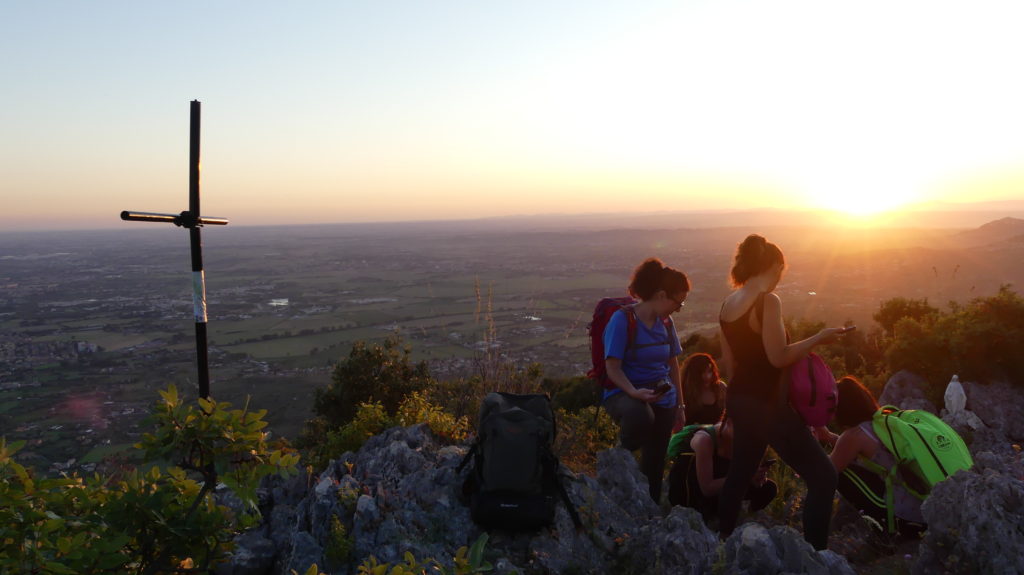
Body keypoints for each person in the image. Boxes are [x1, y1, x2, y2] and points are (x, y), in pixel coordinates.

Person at [717, 234, 845, 550]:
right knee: (824, 476)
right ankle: (816, 555)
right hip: (767, 405)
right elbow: (779, 357)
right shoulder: (767, 301)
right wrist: (818, 338)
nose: (780, 277)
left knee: (739, 475)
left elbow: (729, 362)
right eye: (780, 270)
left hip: (739, 399)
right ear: (774, 265)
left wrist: (736, 406)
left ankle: (722, 543)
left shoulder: (727, 304)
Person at [603, 257, 689, 502]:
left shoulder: (666, 323)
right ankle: (621, 459)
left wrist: (680, 407)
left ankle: (649, 508)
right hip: (624, 393)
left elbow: (673, 363)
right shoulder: (622, 321)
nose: (678, 308)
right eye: (678, 303)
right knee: (642, 416)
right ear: (662, 295)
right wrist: (633, 392)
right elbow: (613, 368)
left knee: (655, 460)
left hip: (662, 394)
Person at [826, 376, 926, 536]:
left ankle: (883, 527)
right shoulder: (881, 423)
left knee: (840, 473)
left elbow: (826, 470)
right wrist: (828, 436)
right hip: (922, 510)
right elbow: (855, 450)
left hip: (903, 516)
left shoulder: (853, 435)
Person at [667, 414, 777, 525]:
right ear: (729, 423)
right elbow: (707, 488)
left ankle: (746, 517)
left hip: (720, 484)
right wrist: (746, 476)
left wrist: (757, 478)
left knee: (769, 488)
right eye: (742, 431)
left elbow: (741, 477)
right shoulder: (704, 440)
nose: (745, 437)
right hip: (691, 491)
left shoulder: (742, 441)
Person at [681, 352, 727, 425]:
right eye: (701, 373)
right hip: (692, 435)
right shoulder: (683, 393)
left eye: (709, 371)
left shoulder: (721, 388)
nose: (707, 377)